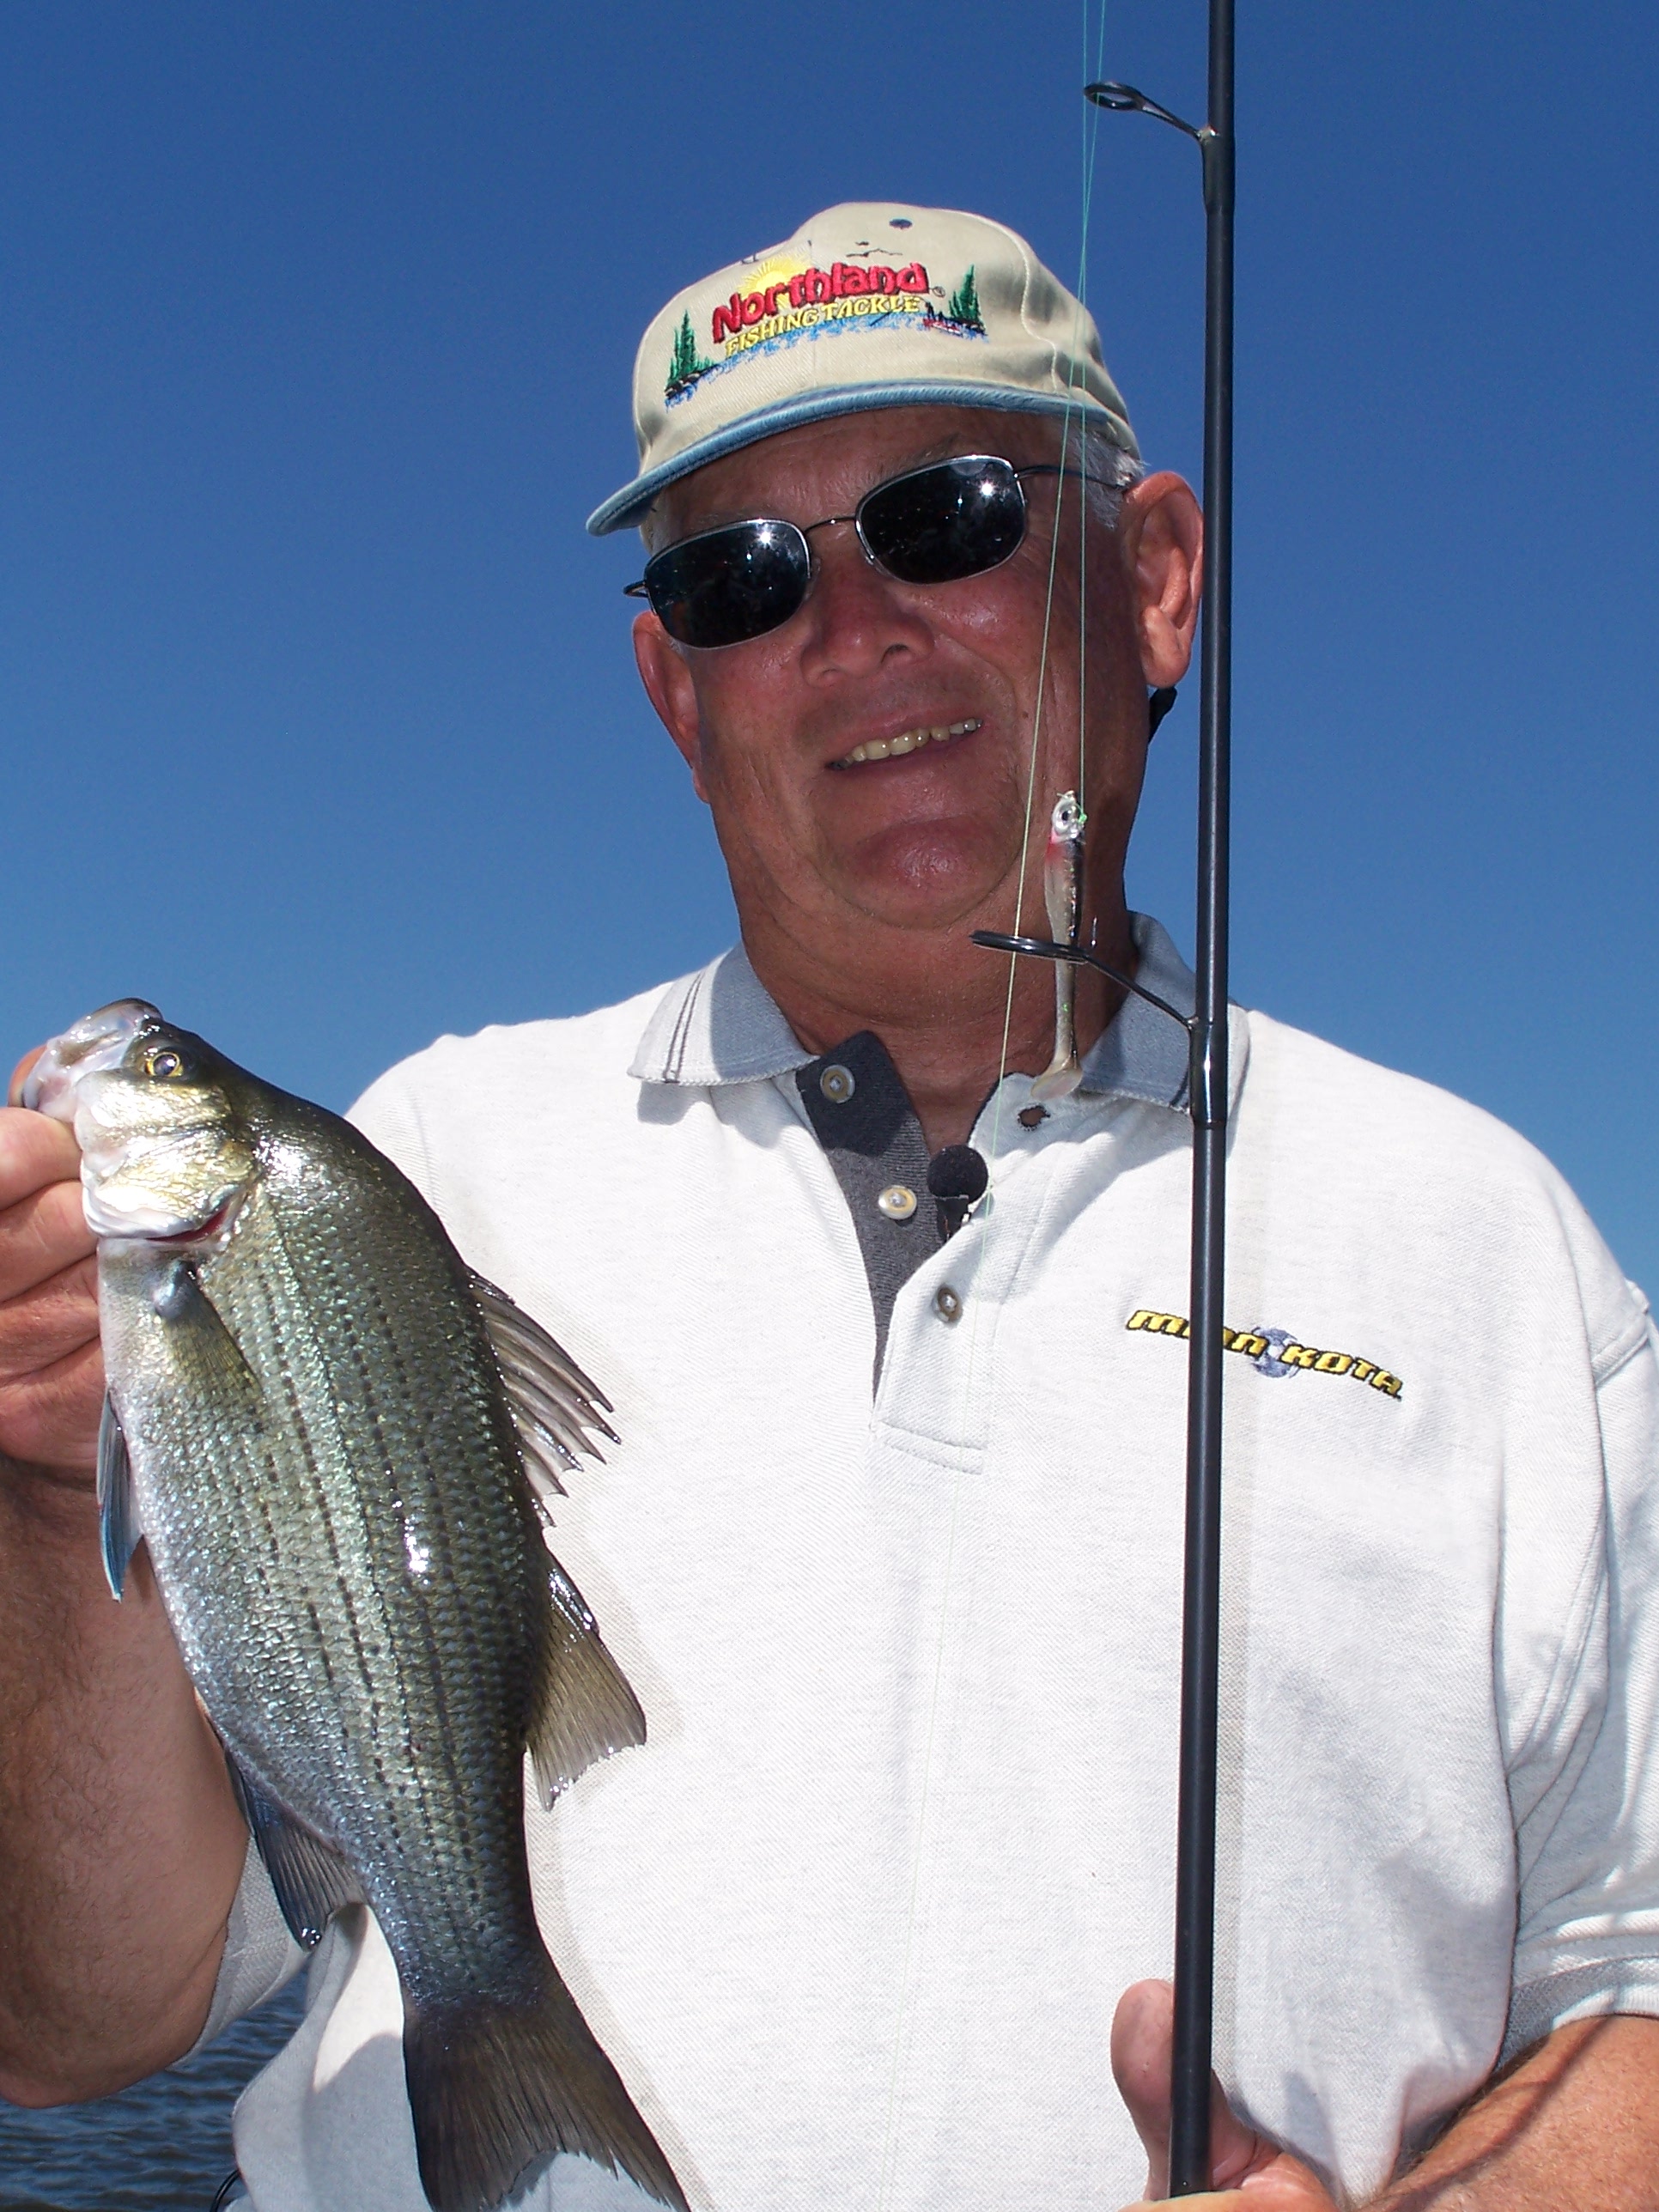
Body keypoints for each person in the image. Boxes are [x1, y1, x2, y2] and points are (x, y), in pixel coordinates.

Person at [2, 200, 1657, 2212]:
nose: (851, 628)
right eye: (739, 576)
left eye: (950, 516)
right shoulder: (425, 1161)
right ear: (673, 694)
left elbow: (1632, 1987)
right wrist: (37, 1476)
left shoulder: (1486, 1245)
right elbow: (77, 2027)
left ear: (1155, 580)